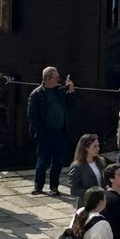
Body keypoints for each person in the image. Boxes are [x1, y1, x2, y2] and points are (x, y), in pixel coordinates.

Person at [27, 66, 76, 196]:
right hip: (45, 133)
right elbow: (32, 116)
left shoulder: (59, 91)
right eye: (56, 77)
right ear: (47, 78)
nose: (58, 79)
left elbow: (70, 105)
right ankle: (39, 185)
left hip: (60, 132)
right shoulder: (36, 94)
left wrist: (70, 91)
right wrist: (41, 132)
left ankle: (54, 186)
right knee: (43, 160)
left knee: (58, 161)